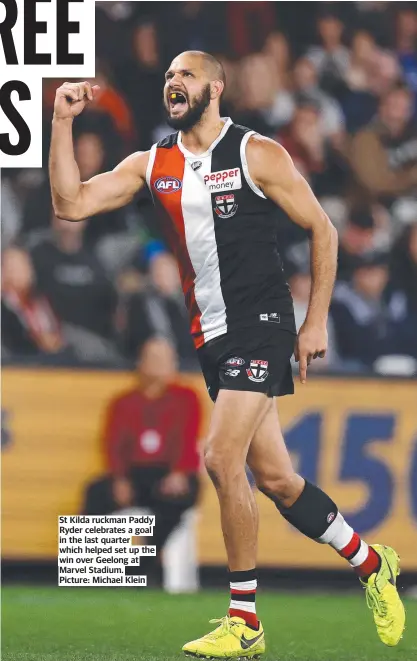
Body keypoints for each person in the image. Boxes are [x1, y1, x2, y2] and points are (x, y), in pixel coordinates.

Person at [49, 51, 405, 657]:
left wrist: (314, 319)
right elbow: (70, 204)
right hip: (211, 337)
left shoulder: (255, 152)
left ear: (215, 87)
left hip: (262, 324)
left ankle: (245, 622)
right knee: (277, 480)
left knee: (219, 458)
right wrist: (60, 122)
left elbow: (324, 228)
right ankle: (373, 563)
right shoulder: (152, 162)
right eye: (167, 78)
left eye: (184, 75)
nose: (172, 84)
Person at [82, 337, 200, 573]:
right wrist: (119, 479)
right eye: (153, 359)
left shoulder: (187, 398)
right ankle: (93, 572)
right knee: (95, 493)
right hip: (134, 474)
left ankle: (144, 565)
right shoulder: (123, 402)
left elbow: (189, 438)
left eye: (164, 360)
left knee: (178, 499)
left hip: (170, 472)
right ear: (141, 363)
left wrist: (178, 472)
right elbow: (113, 444)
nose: (158, 365)